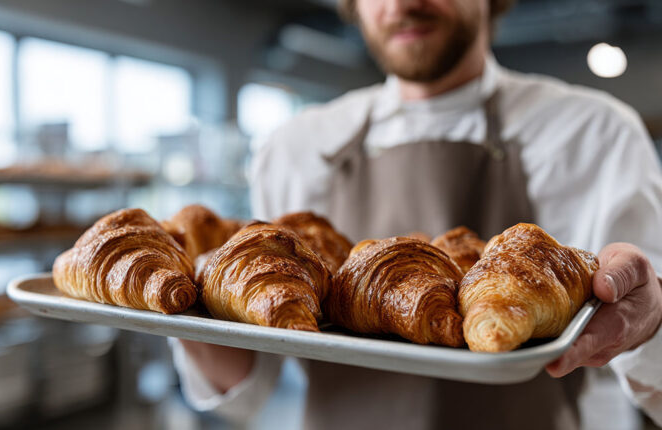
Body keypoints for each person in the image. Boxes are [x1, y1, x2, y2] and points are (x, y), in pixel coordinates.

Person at [170, 0, 662, 428]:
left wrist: (651, 319)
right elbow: (244, 385)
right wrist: (179, 298)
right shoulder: (294, 147)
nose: (402, 3)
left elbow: (648, 366)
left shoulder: (595, 134)